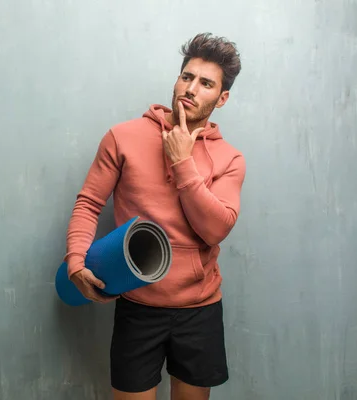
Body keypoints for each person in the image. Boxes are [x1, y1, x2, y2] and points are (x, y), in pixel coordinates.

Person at [63, 33, 246, 400]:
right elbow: (89, 203)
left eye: (206, 83)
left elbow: (215, 230)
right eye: (186, 77)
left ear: (222, 98)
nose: (190, 88)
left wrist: (181, 161)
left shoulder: (230, 159)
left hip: (200, 310)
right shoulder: (123, 137)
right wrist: (75, 262)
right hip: (137, 306)